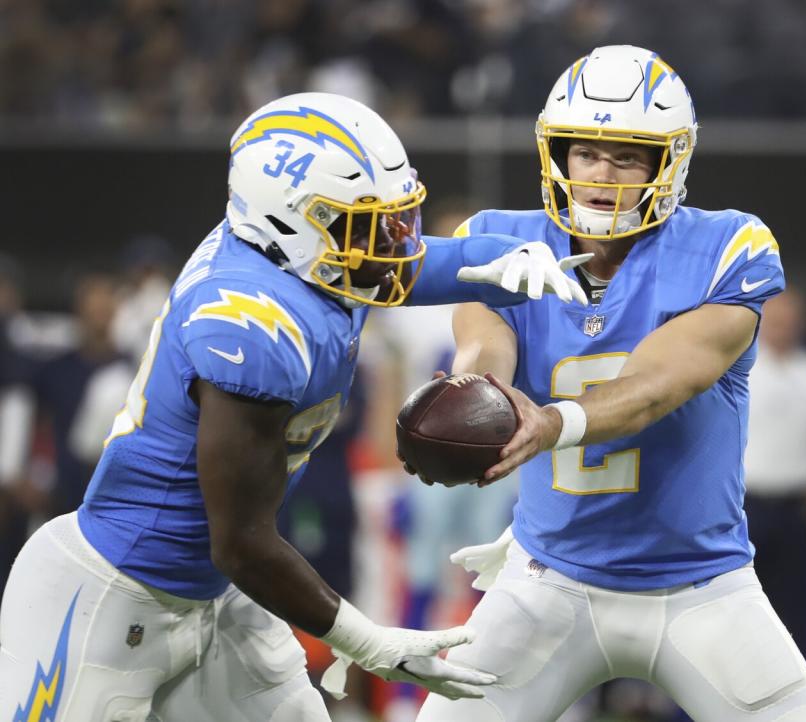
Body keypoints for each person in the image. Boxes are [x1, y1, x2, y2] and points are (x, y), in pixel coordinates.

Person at [0, 92, 590, 722]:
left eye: (391, 218)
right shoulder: (249, 321)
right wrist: (369, 641)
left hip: (219, 597)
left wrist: (508, 257)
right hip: (112, 595)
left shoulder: (311, 258)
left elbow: (418, 262)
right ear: (290, 223)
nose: (390, 240)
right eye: (366, 222)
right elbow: (241, 541)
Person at [412, 46, 806, 722]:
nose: (602, 174)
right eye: (586, 153)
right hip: (547, 580)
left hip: (702, 589)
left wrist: (545, 423)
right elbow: (483, 345)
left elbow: (654, 387)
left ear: (669, 163)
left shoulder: (729, 248)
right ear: (558, 156)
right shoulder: (498, 242)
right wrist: (478, 396)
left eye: (627, 156)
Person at [743, 288, 806, 663]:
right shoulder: (741, 369)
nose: (783, 327)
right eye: (776, 319)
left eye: (790, 319)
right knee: (739, 604)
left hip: (797, 507)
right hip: (746, 505)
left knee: (796, 605)